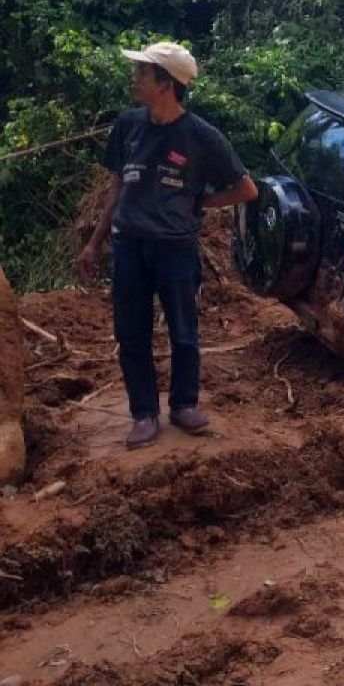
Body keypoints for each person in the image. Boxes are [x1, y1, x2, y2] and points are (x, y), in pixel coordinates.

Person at [76, 42, 258, 450]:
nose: (136, 79)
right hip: (129, 247)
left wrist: (203, 202)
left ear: (167, 84)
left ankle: (184, 405)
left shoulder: (201, 136)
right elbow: (117, 188)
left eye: (143, 72)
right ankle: (144, 413)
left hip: (175, 248)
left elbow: (246, 189)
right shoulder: (128, 125)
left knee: (184, 331)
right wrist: (94, 244)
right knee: (132, 332)